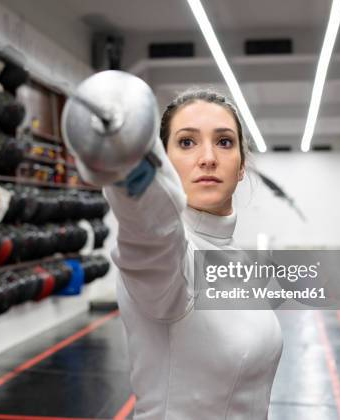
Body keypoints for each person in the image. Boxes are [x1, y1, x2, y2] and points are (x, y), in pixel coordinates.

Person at [78, 88, 283, 419]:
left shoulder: (235, 259)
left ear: (242, 166)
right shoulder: (173, 258)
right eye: (187, 142)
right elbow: (151, 232)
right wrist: (127, 169)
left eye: (224, 142)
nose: (208, 158)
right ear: (165, 162)